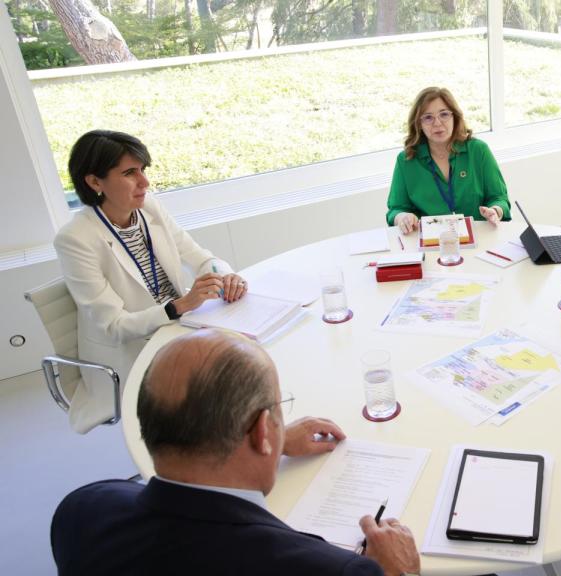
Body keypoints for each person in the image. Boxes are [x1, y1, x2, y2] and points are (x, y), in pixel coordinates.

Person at [51, 329, 421, 576]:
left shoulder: (80, 509)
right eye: (278, 410)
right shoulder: (332, 569)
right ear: (262, 431)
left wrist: (270, 445)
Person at [54, 130, 247, 433]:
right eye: (130, 173)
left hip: (180, 325)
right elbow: (116, 326)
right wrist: (179, 306)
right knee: (225, 378)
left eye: (143, 170)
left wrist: (225, 275)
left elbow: (198, 256)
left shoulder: (148, 207)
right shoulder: (75, 239)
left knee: (249, 354)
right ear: (94, 182)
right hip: (135, 347)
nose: (144, 182)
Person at [386, 87, 511, 233]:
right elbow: (396, 209)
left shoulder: (478, 150)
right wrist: (402, 217)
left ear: (455, 117)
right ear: (419, 124)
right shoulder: (406, 160)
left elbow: (499, 198)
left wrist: (495, 211)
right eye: (428, 117)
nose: (437, 123)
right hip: (430, 241)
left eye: (444, 114)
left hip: (479, 237)